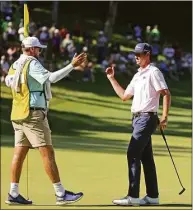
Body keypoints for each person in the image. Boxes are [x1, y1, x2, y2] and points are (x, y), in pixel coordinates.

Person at [4, 36, 87, 205]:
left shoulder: (14, 65)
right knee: (47, 153)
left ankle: (13, 193)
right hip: (33, 115)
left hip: (17, 114)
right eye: (39, 49)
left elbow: (7, 81)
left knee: (19, 154)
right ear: (32, 50)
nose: (40, 52)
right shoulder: (32, 63)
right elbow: (51, 78)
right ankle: (60, 193)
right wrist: (72, 66)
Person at [105, 43, 171, 206]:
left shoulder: (153, 72)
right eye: (135, 54)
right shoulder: (138, 75)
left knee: (132, 152)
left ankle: (132, 196)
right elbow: (124, 96)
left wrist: (164, 116)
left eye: (139, 54)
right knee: (146, 158)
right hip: (136, 119)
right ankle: (152, 196)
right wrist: (112, 78)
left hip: (147, 119)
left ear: (147, 54)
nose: (136, 57)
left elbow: (166, 93)